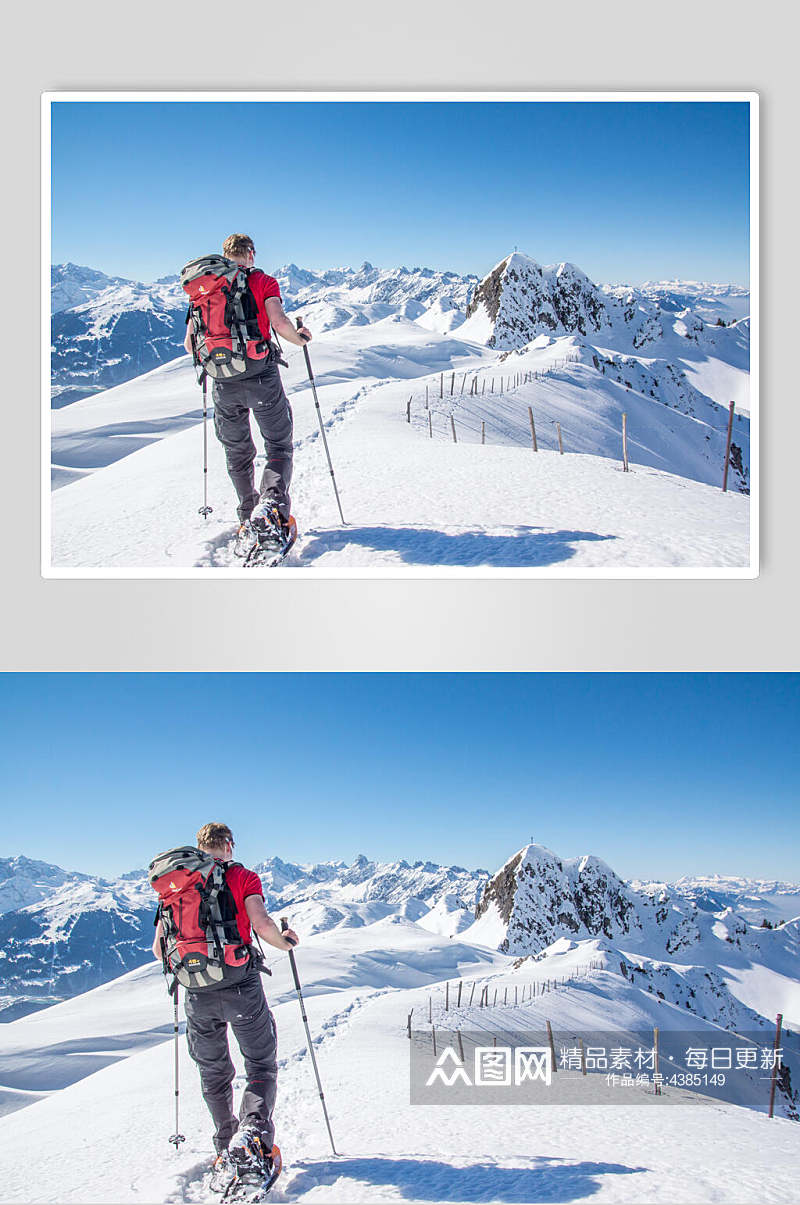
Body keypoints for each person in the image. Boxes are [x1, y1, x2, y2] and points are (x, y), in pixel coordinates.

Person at [152, 822, 299, 1174]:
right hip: (240, 986)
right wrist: (287, 941)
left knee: (214, 1072)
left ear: (199, 847)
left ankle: (224, 1146)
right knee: (261, 1065)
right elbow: (262, 924)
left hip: (196, 992)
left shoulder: (178, 883)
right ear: (229, 845)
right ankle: (252, 1137)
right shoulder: (243, 877)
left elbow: (160, 950)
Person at [184, 234, 312, 558]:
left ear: (225, 256)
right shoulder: (262, 281)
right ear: (251, 254)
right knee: (278, 445)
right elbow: (280, 323)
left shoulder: (206, 289)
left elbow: (190, 345)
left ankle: (247, 518)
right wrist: (301, 339)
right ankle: (270, 509)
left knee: (238, 453)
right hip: (261, 377)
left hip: (222, 383)